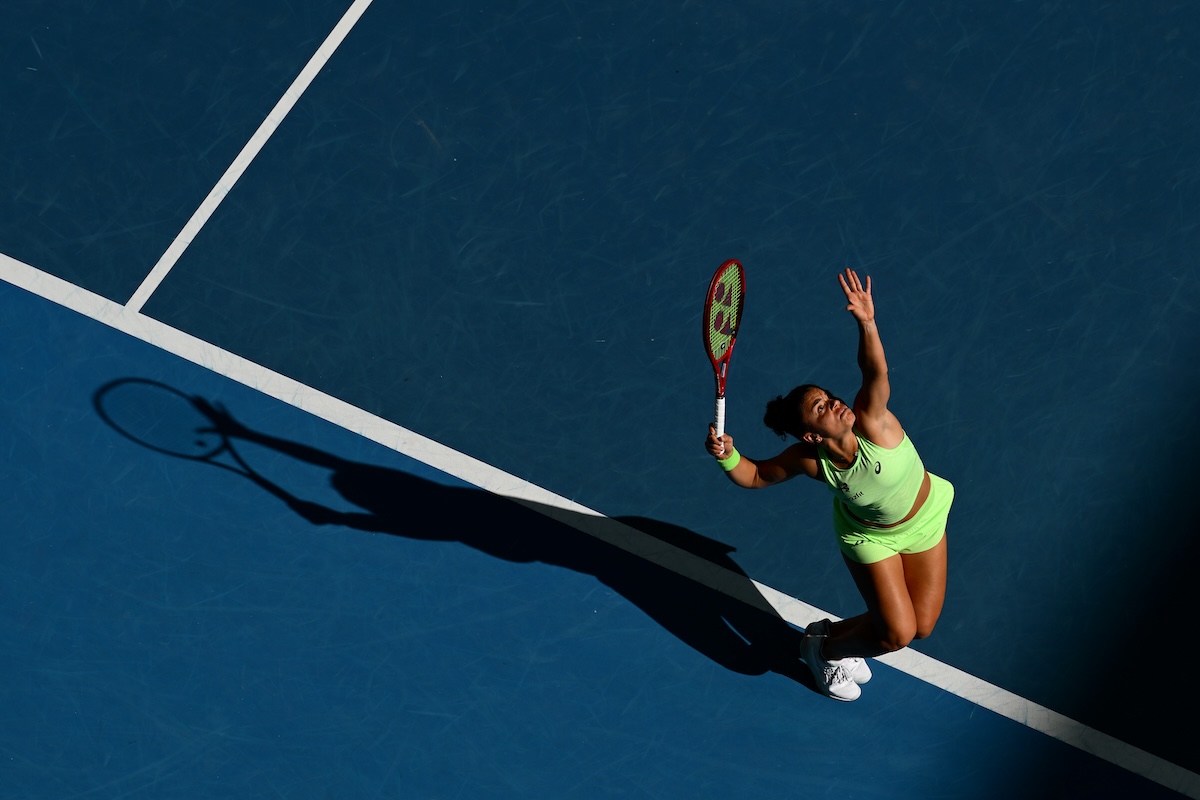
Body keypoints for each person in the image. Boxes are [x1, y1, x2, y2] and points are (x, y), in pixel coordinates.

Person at [704, 268, 954, 701]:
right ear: (813, 436)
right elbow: (757, 475)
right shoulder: (811, 461)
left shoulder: (874, 421)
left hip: (926, 518)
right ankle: (825, 652)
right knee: (897, 634)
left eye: (829, 396)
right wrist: (727, 454)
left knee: (924, 626)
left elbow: (874, 372)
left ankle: (824, 633)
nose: (836, 402)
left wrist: (867, 323)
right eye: (822, 407)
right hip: (869, 537)